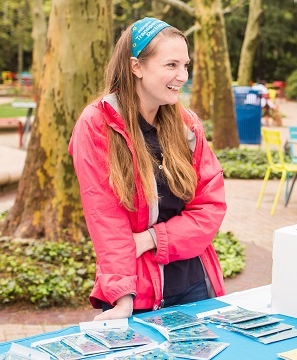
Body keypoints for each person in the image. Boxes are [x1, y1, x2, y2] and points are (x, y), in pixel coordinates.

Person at [69, 17, 226, 320]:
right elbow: (105, 217)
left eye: (186, 66)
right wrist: (122, 298)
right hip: (136, 292)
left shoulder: (187, 125)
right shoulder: (97, 125)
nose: (182, 76)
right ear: (136, 67)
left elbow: (210, 207)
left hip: (194, 284)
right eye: (171, 65)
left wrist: (151, 239)